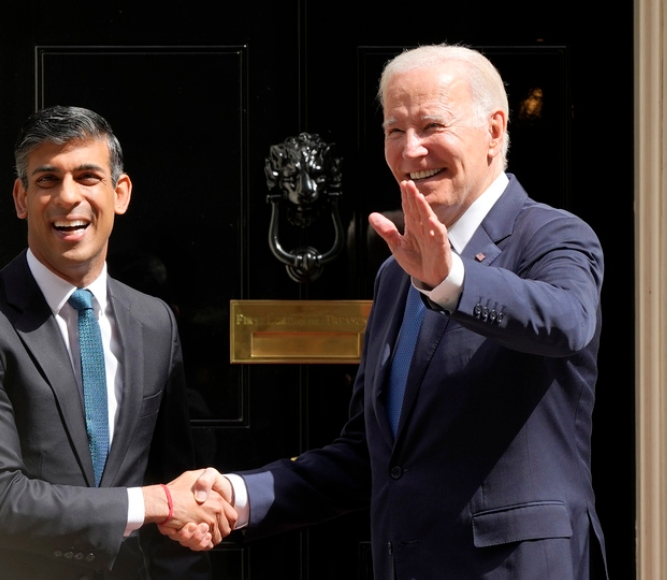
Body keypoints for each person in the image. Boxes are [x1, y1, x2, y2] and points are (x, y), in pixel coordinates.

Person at [172, 45, 608, 578]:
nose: (411, 150)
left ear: (494, 130)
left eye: (432, 126)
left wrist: (452, 281)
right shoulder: (396, 274)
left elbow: (566, 322)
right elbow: (371, 456)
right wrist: (237, 495)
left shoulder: (552, 235)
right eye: (395, 130)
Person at [0, 105, 235, 580]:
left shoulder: (154, 322)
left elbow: (169, 485)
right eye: (47, 180)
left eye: (88, 177)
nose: (68, 197)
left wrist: (182, 531)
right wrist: (158, 502)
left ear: (120, 193)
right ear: (21, 198)